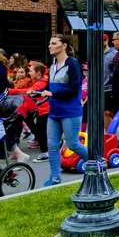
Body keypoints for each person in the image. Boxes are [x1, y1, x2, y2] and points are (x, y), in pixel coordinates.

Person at [40, 35, 87, 186]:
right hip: (54, 111)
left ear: (64, 45)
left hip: (70, 111)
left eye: (53, 43)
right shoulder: (53, 65)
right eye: (49, 43)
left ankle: (97, 163)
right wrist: (38, 91)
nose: (50, 46)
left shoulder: (73, 64)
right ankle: (54, 178)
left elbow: (74, 89)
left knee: (73, 144)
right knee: (52, 146)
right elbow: (50, 86)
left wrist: (53, 93)